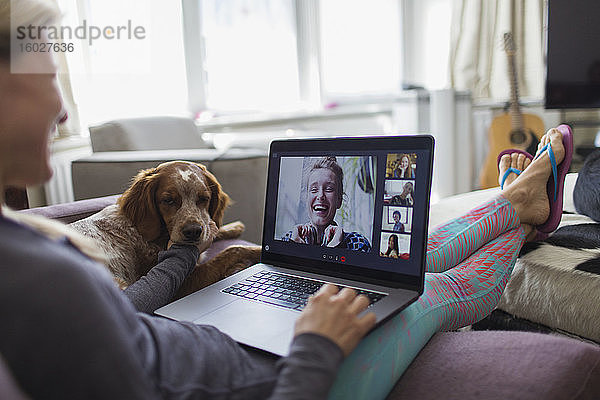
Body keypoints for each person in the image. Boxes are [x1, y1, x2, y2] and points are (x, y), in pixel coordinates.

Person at [0, 1, 571, 399]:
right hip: (282, 371)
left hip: (221, 335)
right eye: (49, 74)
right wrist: (316, 346)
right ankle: (520, 214)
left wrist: (191, 264)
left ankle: (517, 203)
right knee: (433, 289)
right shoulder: (34, 281)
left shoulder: (23, 257)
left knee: (406, 254)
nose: (63, 109)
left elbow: (119, 323)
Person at [282, 156, 372, 252]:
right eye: (314, 189)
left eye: (329, 189)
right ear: (306, 198)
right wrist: (296, 246)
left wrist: (335, 247)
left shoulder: (358, 244)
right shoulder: (289, 239)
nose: (320, 195)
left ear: (339, 200)